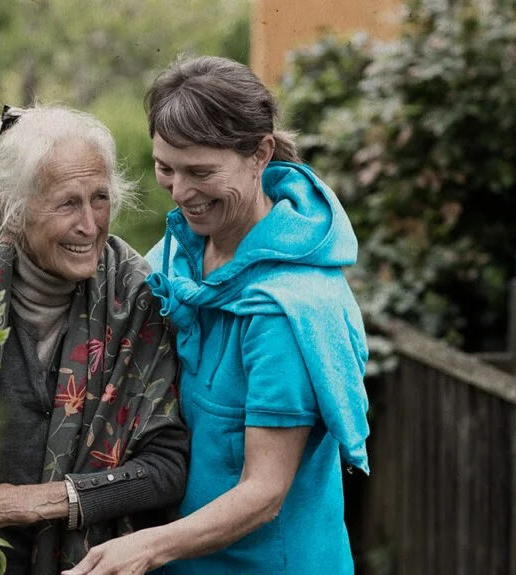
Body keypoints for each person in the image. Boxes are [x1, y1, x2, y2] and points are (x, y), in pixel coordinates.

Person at [64, 55, 371, 575]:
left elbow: (264, 492)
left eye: (201, 172)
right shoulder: (178, 255)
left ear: (260, 155)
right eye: (166, 168)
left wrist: (145, 547)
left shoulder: (285, 311)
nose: (181, 193)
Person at [0, 104, 190, 574]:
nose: (89, 224)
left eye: (99, 198)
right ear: (11, 211)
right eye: (66, 203)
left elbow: (166, 468)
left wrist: (30, 502)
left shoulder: (139, 299)